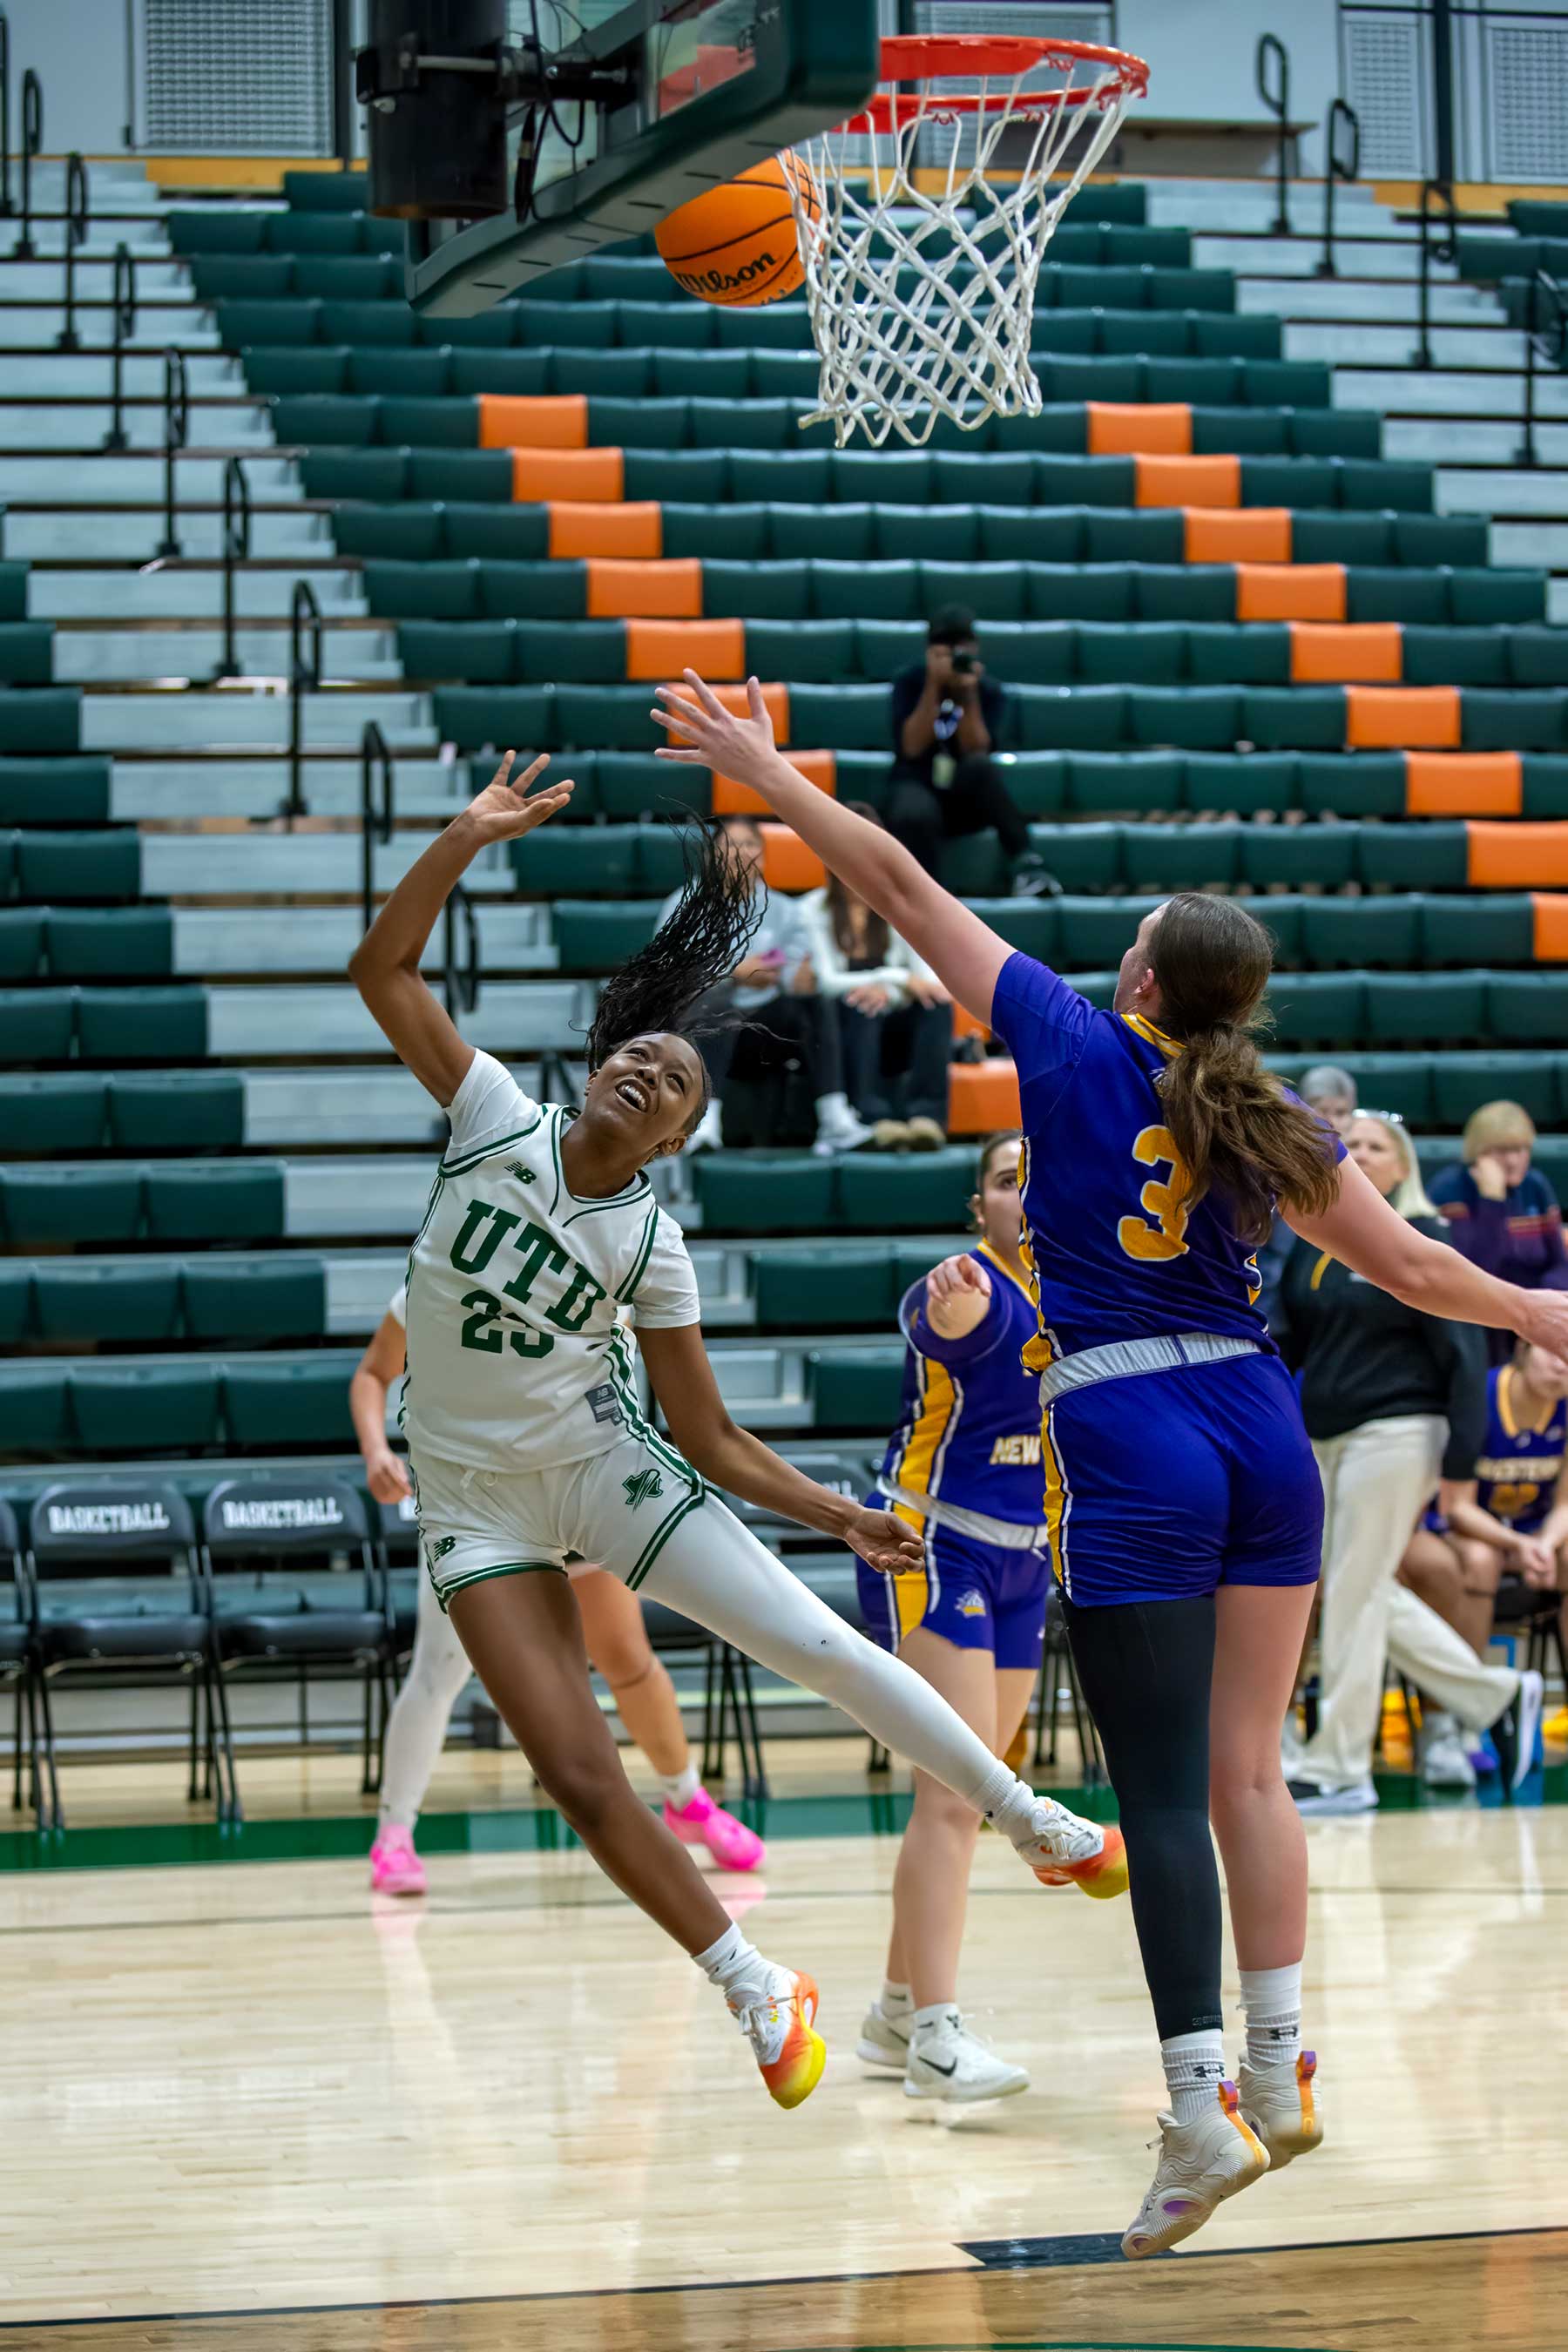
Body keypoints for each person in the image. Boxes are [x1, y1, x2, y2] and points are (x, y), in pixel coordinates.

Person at [652, 667, 1568, 2255]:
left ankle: (1200, 2113)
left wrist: (769, 774)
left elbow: (897, 884)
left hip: (1134, 1427)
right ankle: (1278, 2067)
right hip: (1262, 1421)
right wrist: (1534, 1309)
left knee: (1157, 1793)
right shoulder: (1275, 1114)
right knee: (1247, 1770)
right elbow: (1420, 1270)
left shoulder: (1072, 1039)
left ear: (1143, 975)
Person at [347, 752, 1127, 2113]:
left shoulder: (652, 1244)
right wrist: (464, 835)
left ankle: (1028, 1815)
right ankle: (755, 1983)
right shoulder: (492, 1117)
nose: (650, 1070)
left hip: (601, 1472)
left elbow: (705, 1435)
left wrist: (835, 1514)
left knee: (814, 1645)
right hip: (472, 1506)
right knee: (579, 1774)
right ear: (596, 1067)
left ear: (674, 1143)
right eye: (637, 1056)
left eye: (674, 1083)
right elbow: (384, 971)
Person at [350, 1287, 766, 1896]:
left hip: (580, 1492)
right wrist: (375, 1451)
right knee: (439, 1673)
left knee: (628, 1660)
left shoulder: (607, 1272)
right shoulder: (436, 1277)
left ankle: (687, 1801)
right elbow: (373, 1372)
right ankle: (393, 1834)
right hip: (478, 1506)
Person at [855, 1131, 1050, 2107]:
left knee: (971, 1794)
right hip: (933, 1545)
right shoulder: (966, 1286)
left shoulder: (1093, 1293)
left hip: (1029, 1555)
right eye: (1009, 1180)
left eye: (1040, 1176)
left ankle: (895, 2012)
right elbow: (947, 1322)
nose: (1027, 1192)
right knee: (954, 1795)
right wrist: (950, 1308)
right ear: (982, 1207)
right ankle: (934, 2040)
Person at [1274, 1113, 1541, 1815]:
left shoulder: (1424, 1238)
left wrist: (1459, 1470)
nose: (1360, 1153)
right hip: (1324, 1435)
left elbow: (1465, 1358)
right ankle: (1497, 1696)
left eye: (1375, 1146)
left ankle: (1340, 1769)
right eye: (1351, 1144)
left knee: (1356, 1591)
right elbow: (1289, 1339)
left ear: (1400, 1166)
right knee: (1347, 1587)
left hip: (1400, 1430)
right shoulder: (1314, 1240)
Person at [1401, 1335, 1568, 1785]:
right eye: (1553, 1350)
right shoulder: (1484, 1397)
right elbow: (1457, 1508)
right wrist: (1520, 1546)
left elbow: (1565, 1503)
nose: (1562, 1364)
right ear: (1524, 1348)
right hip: (1464, 1529)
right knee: (1481, 1558)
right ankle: (1466, 1718)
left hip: (1529, 1538)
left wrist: (1546, 1543)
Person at [662, 812, 868, 1156]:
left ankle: (835, 1117)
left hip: (764, 1028)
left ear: (762, 856)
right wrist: (733, 972)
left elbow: (790, 971)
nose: (741, 852)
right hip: (702, 1026)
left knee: (816, 1001)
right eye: (731, 845)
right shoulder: (684, 904)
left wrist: (799, 978)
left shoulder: (785, 909)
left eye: (749, 844)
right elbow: (666, 975)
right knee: (715, 1001)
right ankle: (703, 1122)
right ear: (713, 856)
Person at [795, 806, 953, 1149]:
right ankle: (871, 1115)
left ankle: (927, 1116)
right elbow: (827, 982)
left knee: (937, 1004)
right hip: (845, 1025)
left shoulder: (899, 905)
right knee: (864, 1000)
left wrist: (889, 990)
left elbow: (924, 979)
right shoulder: (811, 909)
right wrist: (894, 979)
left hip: (895, 1022)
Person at [887, 608, 1046, 897]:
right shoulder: (909, 681)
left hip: (963, 794)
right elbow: (912, 747)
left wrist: (967, 694)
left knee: (982, 768)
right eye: (945, 645)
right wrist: (934, 685)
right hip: (917, 785)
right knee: (914, 809)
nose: (954, 653)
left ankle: (1027, 865)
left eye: (961, 644)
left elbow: (976, 748)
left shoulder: (988, 690)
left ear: (975, 647)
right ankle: (929, 895)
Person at [1429, 1102, 1566, 1362]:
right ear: (1477, 1153)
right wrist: (1492, 1200)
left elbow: (1559, 1263)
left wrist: (1543, 1302)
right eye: (1502, 1151)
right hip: (1477, 1319)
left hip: (1532, 1320)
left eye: (1520, 1149)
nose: (1513, 1161)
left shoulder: (1536, 1185)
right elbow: (1476, 1269)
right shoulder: (1448, 1190)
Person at [1256, 1065, 1358, 1328]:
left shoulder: (1362, 1166)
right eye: (1322, 1110)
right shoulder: (1279, 1162)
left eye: (1341, 1112)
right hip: (1273, 1311)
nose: (1332, 1121)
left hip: (1329, 1313)